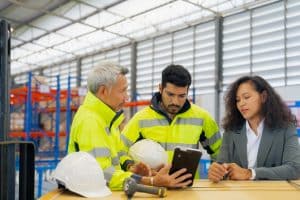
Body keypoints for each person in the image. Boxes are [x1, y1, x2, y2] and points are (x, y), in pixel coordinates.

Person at [68, 61, 192, 190]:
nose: (126, 97)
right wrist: (150, 181)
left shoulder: (107, 120)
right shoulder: (90, 121)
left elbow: (119, 155)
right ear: (104, 91)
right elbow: (102, 175)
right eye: (123, 91)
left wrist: (130, 166)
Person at [120, 64, 222, 176]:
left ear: (187, 91)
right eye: (170, 94)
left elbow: (221, 153)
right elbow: (119, 150)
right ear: (160, 88)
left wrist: (217, 169)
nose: (175, 102)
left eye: (182, 96)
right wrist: (130, 166)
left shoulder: (202, 117)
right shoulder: (140, 119)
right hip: (152, 188)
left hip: (187, 190)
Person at [208, 75, 300, 182]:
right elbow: (221, 166)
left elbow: (294, 168)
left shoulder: (286, 128)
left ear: (263, 97)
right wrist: (216, 172)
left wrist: (250, 173)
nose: (241, 103)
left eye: (246, 97)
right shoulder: (231, 131)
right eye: (238, 100)